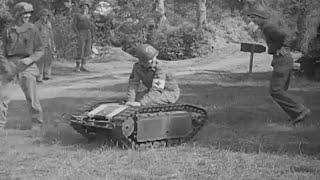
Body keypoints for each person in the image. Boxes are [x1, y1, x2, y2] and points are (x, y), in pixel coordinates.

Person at [247, 9, 311, 124]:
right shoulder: (266, 27)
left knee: (276, 91)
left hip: (282, 60)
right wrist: (280, 47)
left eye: (254, 17)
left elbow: (283, 36)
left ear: (261, 17)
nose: (253, 20)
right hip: (283, 60)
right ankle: (296, 114)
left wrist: (278, 48)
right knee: (280, 90)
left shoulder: (268, 27)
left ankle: (300, 110)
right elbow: (282, 37)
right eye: (251, 18)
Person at [0, 2, 44, 129]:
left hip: (27, 65)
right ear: (18, 14)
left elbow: (40, 49)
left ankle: (37, 124)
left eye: (29, 13)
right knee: (2, 97)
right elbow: (1, 51)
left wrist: (30, 59)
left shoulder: (33, 29)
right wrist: (6, 66)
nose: (27, 16)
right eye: (25, 13)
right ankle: (0, 125)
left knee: (32, 97)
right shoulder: (8, 30)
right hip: (9, 65)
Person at [72, 0, 95, 72]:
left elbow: (92, 26)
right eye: (84, 7)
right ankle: (77, 66)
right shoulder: (77, 15)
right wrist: (77, 33)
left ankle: (83, 66)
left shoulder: (89, 16)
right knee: (80, 49)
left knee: (87, 49)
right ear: (81, 8)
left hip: (88, 32)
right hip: (81, 32)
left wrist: (93, 35)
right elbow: (73, 25)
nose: (85, 9)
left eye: (86, 8)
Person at [35, 8, 56, 82]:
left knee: (48, 60)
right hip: (40, 44)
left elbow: (51, 35)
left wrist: (53, 45)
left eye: (46, 15)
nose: (44, 17)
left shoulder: (49, 24)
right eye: (43, 15)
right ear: (40, 16)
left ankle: (46, 75)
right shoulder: (37, 24)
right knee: (40, 61)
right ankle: (39, 76)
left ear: (47, 16)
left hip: (48, 43)